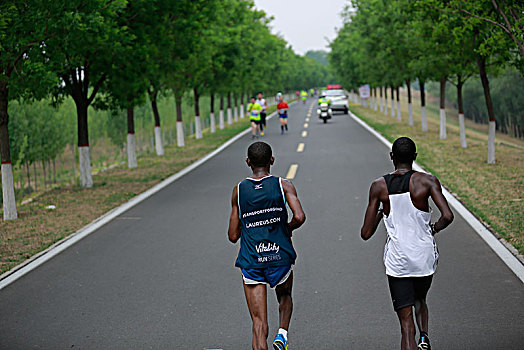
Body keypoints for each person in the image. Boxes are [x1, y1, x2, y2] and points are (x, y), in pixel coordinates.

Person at [360, 137, 454, 350]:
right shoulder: (428, 181)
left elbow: (366, 233)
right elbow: (447, 216)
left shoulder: (378, 186)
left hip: (398, 261)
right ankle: (424, 338)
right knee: (420, 298)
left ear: (392, 156)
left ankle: (415, 338)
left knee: (405, 323)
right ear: (415, 157)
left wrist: (382, 212)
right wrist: (433, 229)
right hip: (424, 258)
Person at [228, 141, 306, 350]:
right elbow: (299, 216)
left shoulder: (239, 191)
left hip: (252, 260)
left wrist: (251, 224)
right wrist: (286, 228)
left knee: (258, 323)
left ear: (248, 162)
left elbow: (233, 235)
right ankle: (282, 335)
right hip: (279, 257)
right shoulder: (284, 185)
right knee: (285, 296)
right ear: (272, 160)